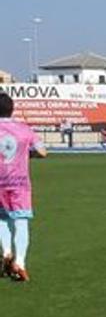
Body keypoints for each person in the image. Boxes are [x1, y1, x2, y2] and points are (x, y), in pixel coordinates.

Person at [0, 92, 49, 282]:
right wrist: (29, 155)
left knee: (2, 219)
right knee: (21, 221)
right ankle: (20, 262)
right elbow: (42, 152)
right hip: (19, 182)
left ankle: (6, 252)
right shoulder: (24, 128)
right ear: (12, 109)